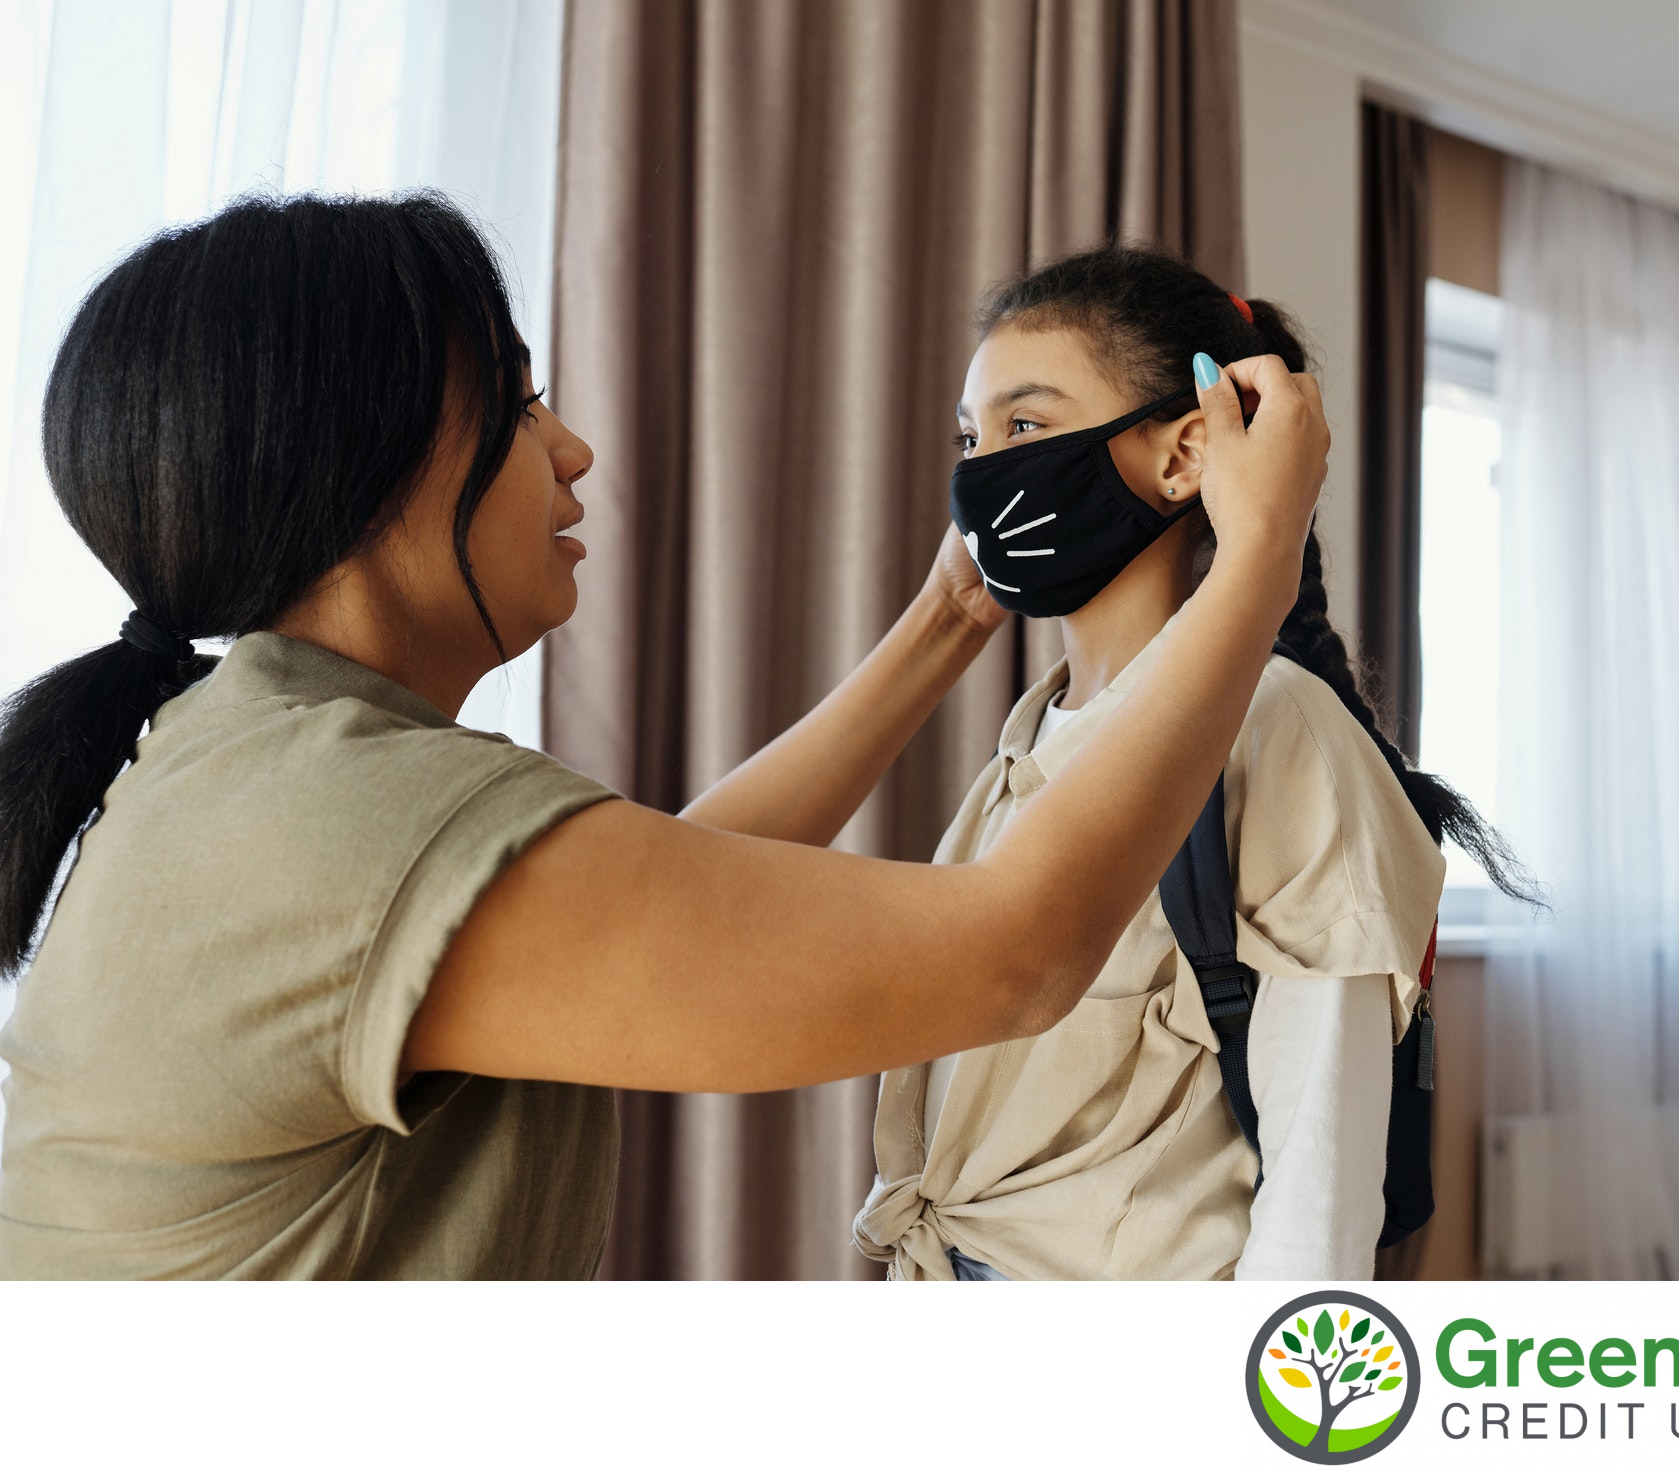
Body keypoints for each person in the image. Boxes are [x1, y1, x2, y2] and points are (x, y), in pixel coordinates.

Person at [0, 196, 1327, 1279]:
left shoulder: (254, 766)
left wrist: (942, 620)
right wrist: (1258, 555)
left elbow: (676, 886)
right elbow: (1017, 955)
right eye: (518, 409)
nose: (572, 451)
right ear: (366, 468)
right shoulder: (330, 826)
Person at [853, 246, 1531, 1281]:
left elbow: (1319, 1188)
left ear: (1183, 457)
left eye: (1024, 427)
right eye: (970, 434)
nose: (982, 472)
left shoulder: (1281, 731)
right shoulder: (1028, 743)